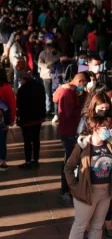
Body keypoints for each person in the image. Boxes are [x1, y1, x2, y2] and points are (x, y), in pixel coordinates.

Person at [64, 116, 112, 238]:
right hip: (87, 192)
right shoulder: (83, 146)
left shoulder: (109, 145)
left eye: (109, 127)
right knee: (80, 225)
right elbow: (68, 168)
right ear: (94, 127)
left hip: (106, 193)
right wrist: (74, 187)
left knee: (97, 226)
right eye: (104, 127)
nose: (108, 130)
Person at [53, 73, 88, 206]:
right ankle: (65, 189)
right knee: (69, 162)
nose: (83, 87)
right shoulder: (67, 93)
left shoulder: (66, 90)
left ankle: (66, 189)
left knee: (69, 160)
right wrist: (81, 107)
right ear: (79, 81)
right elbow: (68, 113)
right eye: (83, 84)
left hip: (68, 131)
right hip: (69, 132)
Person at [16, 71, 46, 168]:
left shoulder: (22, 90)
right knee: (36, 139)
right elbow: (43, 101)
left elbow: (19, 105)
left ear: (23, 79)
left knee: (27, 141)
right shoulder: (40, 86)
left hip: (26, 119)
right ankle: (36, 159)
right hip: (38, 118)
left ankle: (28, 161)